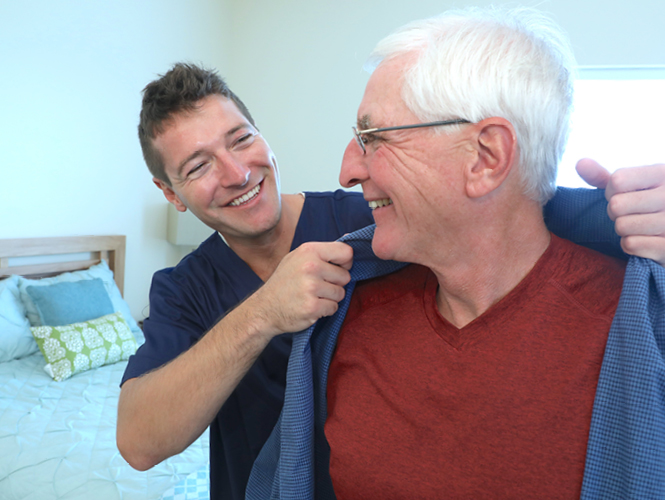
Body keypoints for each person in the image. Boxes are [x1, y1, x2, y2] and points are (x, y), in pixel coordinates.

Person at [117, 64, 665, 499]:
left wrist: (624, 218)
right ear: (171, 194)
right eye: (197, 167)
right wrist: (263, 314)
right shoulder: (182, 287)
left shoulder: (374, 225)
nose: (237, 173)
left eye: (241, 140)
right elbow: (139, 443)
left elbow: (500, 221)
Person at [245, 7, 665, 500]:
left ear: (486, 158)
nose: (347, 170)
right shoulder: (344, 318)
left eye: (373, 137)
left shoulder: (640, 329)